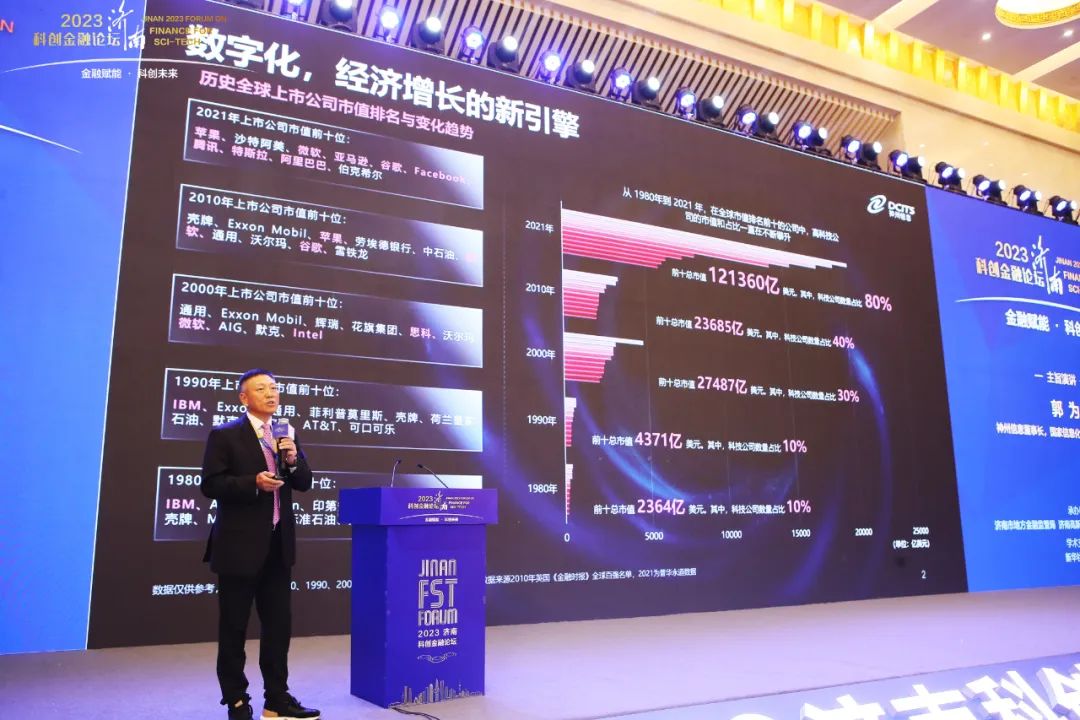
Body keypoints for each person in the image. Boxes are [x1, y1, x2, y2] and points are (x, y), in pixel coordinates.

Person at [201, 369, 321, 720]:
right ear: (244, 397)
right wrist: (252, 482)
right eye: (261, 389)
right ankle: (236, 700)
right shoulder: (225, 435)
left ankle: (277, 698)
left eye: (274, 388)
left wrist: (292, 459)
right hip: (238, 547)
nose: (271, 394)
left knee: (278, 628)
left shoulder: (285, 433)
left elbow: (304, 482)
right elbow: (211, 484)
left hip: (278, 546)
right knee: (234, 628)